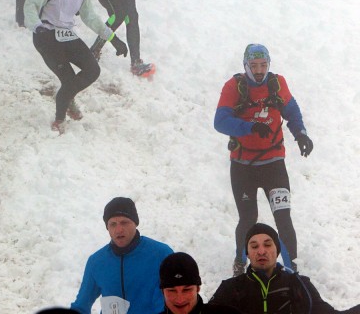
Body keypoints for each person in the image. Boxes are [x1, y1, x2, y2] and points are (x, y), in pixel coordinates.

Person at [213, 44, 313, 275]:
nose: (259, 71)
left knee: (283, 217)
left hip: (274, 164)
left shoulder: (276, 84)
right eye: (254, 66)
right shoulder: (234, 86)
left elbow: (292, 111)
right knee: (248, 218)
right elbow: (220, 121)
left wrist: (301, 134)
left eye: (263, 65)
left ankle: (291, 270)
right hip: (243, 167)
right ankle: (240, 260)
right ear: (245, 65)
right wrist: (250, 127)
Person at [23, 0, 124, 133]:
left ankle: (66, 97)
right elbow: (30, 5)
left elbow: (89, 16)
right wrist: (37, 28)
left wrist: (113, 38)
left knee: (93, 70)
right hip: (46, 36)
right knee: (68, 79)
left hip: (67, 35)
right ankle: (60, 118)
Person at [209, 223, 360, 314]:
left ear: (277, 250)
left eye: (268, 244)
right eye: (254, 246)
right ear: (247, 254)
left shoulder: (299, 285)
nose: (261, 251)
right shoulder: (229, 289)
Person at [72, 197, 173, 314]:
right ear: (107, 228)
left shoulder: (161, 254)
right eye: (113, 224)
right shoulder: (96, 262)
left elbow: (179, 299)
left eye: (124, 222)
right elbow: (81, 306)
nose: (119, 230)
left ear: (135, 223)